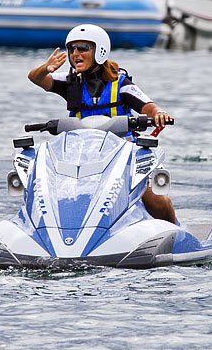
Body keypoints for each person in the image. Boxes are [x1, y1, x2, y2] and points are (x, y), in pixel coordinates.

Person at [28, 24, 176, 224]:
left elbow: (149, 107)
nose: (75, 54)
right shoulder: (70, 82)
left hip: (124, 155)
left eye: (82, 48)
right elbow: (36, 79)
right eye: (71, 49)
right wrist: (45, 68)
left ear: (100, 51)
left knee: (156, 201)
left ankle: (174, 232)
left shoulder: (121, 84)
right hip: (80, 156)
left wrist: (159, 114)